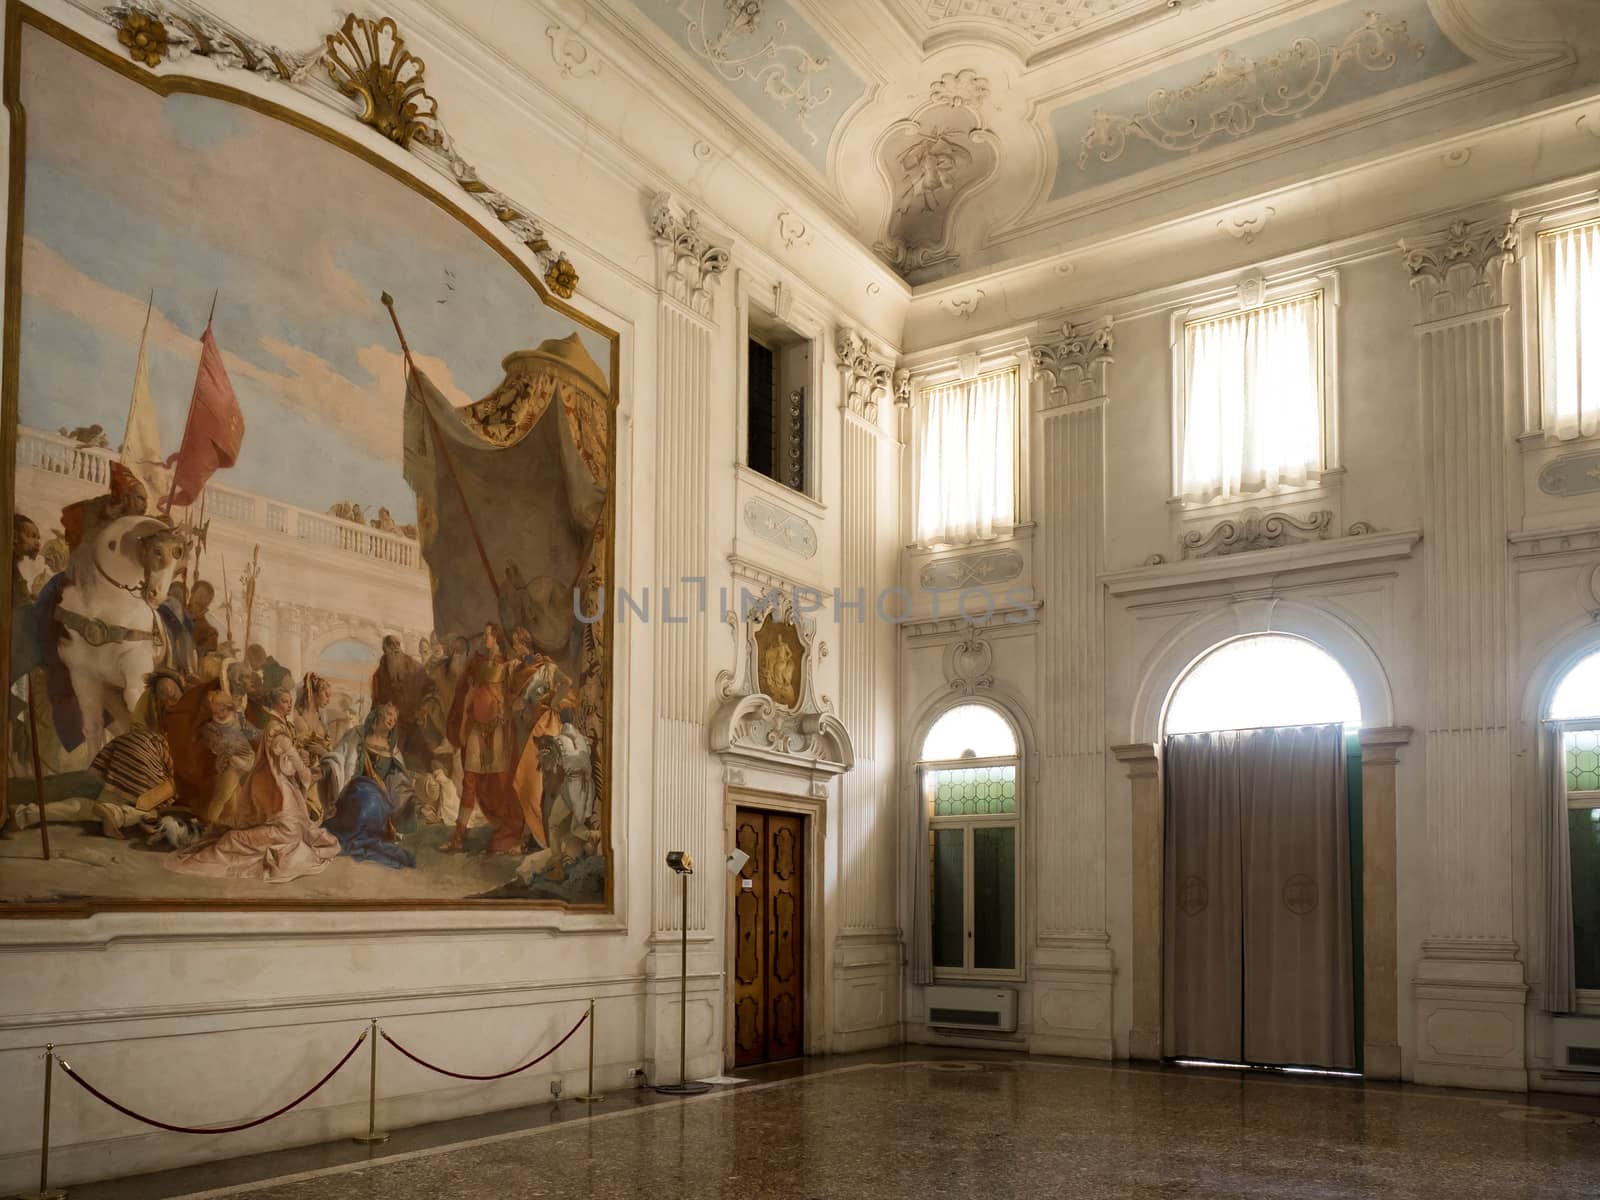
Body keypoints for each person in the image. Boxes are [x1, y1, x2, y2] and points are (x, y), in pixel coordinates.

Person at [165, 685, 340, 882]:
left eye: (225, 708)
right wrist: (303, 767)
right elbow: (220, 748)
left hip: (261, 775)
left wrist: (300, 755)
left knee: (251, 823)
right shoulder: (212, 728)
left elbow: (269, 749)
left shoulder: (268, 725)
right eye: (284, 700)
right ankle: (211, 830)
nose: (222, 712)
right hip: (232, 768)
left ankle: (222, 833)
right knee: (225, 808)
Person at [443, 623, 523, 854]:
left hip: (498, 729)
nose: (484, 639)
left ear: (496, 637)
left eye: (487, 635)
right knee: (469, 782)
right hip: (477, 728)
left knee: (500, 781)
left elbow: (514, 696)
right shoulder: (477, 663)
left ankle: (509, 831)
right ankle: (459, 836)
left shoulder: (507, 664)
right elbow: (467, 693)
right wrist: (461, 726)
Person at [323, 703, 418, 870]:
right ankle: (355, 834)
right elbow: (340, 755)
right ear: (378, 715)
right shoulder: (358, 735)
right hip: (356, 789)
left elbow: (397, 776)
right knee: (366, 802)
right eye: (389, 714)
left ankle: (366, 836)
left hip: (380, 795)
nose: (392, 720)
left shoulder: (392, 749)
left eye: (395, 718)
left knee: (375, 803)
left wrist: (406, 793)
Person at [199, 688, 257, 829]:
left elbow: (253, 733)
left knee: (240, 793)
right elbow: (216, 746)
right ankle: (209, 823)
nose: (220, 714)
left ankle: (235, 822)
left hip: (248, 759)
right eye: (215, 712)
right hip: (229, 763)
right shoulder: (210, 728)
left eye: (223, 710)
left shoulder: (237, 718)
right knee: (223, 794)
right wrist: (233, 745)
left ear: (229, 707)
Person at [371, 633, 431, 770]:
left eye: (397, 645)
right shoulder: (380, 674)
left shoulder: (415, 667)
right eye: (390, 647)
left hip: (414, 719)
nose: (395, 648)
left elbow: (429, 688)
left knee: (419, 758)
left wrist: (423, 709)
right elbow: (376, 702)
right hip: (393, 722)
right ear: (385, 650)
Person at [186, 580, 220, 659]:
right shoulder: (176, 614)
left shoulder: (210, 633)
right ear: (192, 593)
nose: (201, 600)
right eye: (199, 595)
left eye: (206, 598)